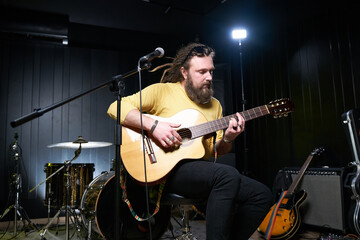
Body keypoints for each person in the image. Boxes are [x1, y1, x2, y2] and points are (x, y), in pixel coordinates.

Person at [107, 42, 273, 240]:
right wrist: (153, 126)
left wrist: (228, 138)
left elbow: (214, 151)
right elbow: (116, 107)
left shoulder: (215, 106)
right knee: (227, 175)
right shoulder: (162, 91)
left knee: (262, 194)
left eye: (211, 71)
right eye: (202, 71)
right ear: (184, 72)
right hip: (164, 171)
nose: (209, 77)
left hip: (198, 172)